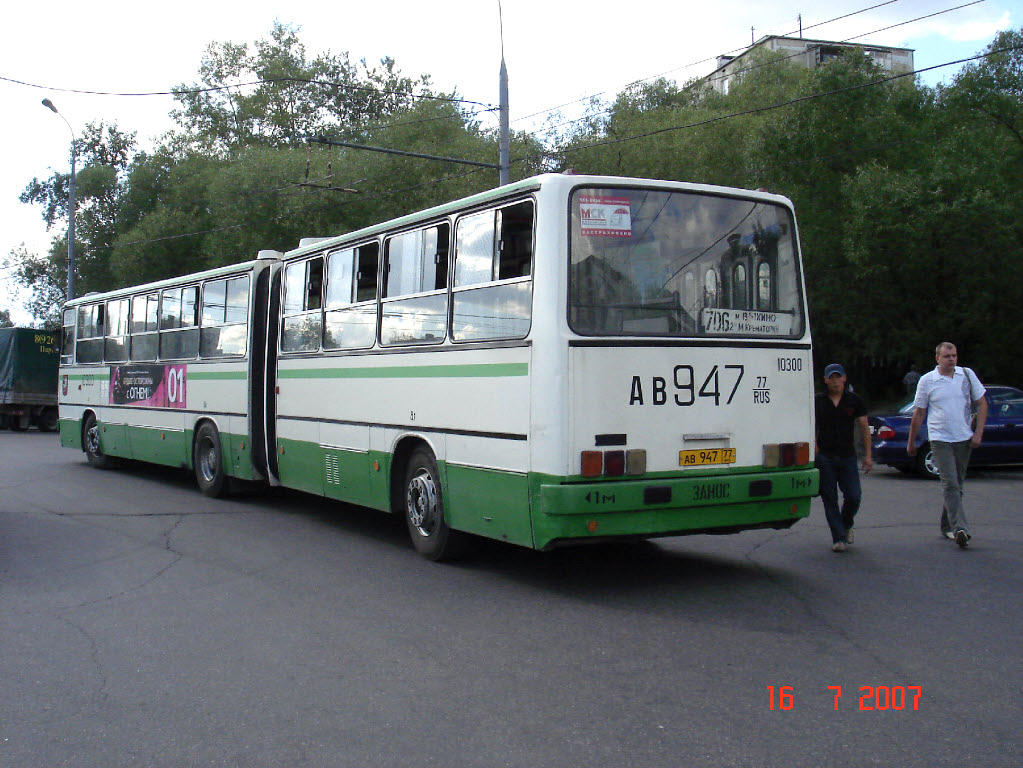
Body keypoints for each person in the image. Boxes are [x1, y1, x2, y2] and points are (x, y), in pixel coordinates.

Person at [907, 343, 987, 549]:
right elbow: (919, 413)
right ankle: (961, 529)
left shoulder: (966, 375)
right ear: (937, 358)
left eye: (954, 355)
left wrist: (978, 433)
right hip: (940, 438)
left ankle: (946, 524)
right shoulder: (927, 381)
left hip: (963, 438)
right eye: (946, 356)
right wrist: (912, 441)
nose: (951, 359)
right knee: (950, 483)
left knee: (957, 484)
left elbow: (982, 403)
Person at [815, 363, 872, 552]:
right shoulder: (819, 401)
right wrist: (814, 447)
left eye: (838, 377)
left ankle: (846, 524)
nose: (835, 381)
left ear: (844, 378)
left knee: (854, 496)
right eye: (831, 378)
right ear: (825, 380)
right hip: (825, 456)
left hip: (847, 456)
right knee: (829, 498)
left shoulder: (854, 401)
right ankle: (838, 538)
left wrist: (868, 456)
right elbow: (810, 424)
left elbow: (864, 427)